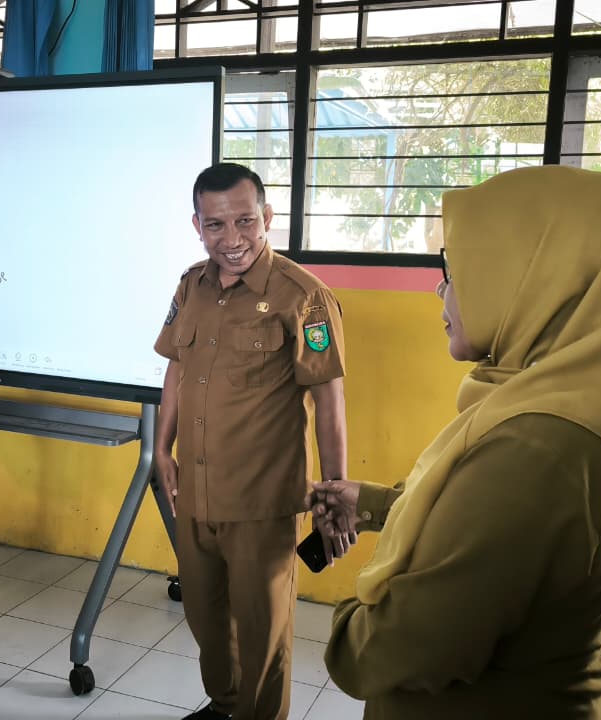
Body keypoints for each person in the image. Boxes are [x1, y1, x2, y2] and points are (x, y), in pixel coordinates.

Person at [308, 166, 601, 719]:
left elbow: (407, 644)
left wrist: (349, 622)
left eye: (454, 272)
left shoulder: (539, 448)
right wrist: (370, 504)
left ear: (531, 278)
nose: (439, 290)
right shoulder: (584, 407)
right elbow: (493, 542)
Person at [153, 163, 350, 720]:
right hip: (195, 491)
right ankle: (225, 705)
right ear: (197, 224)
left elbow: (329, 399)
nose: (232, 239)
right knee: (206, 617)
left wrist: (334, 492)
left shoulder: (303, 296)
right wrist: (160, 450)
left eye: (245, 221)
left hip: (261, 501)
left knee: (264, 634)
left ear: (267, 217)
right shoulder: (191, 285)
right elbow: (176, 370)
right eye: (216, 225)